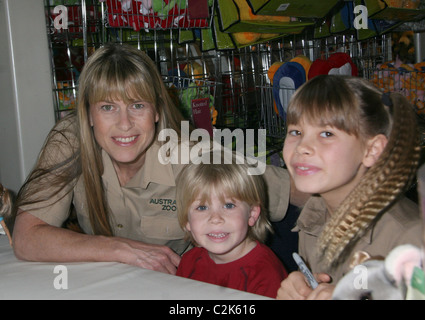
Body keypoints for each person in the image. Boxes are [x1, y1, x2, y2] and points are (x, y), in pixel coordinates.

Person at [12, 43, 295, 275]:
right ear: (86, 113)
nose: (125, 124)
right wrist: (122, 250)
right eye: (108, 107)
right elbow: (26, 237)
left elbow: (297, 192)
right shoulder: (69, 141)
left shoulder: (192, 155)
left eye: (137, 105)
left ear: (157, 111)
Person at [276, 75, 422, 300]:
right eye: (296, 132)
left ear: (372, 150)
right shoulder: (313, 217)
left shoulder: (409, 238)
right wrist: (300, 288)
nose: (302, 147)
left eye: (327, 134)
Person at [175, 151, 287, 298]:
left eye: (228, 205)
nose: (215, 218)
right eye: (202, 208)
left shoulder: (266, 274)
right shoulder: (189, 261)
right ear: (187, 221)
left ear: (252, 214)